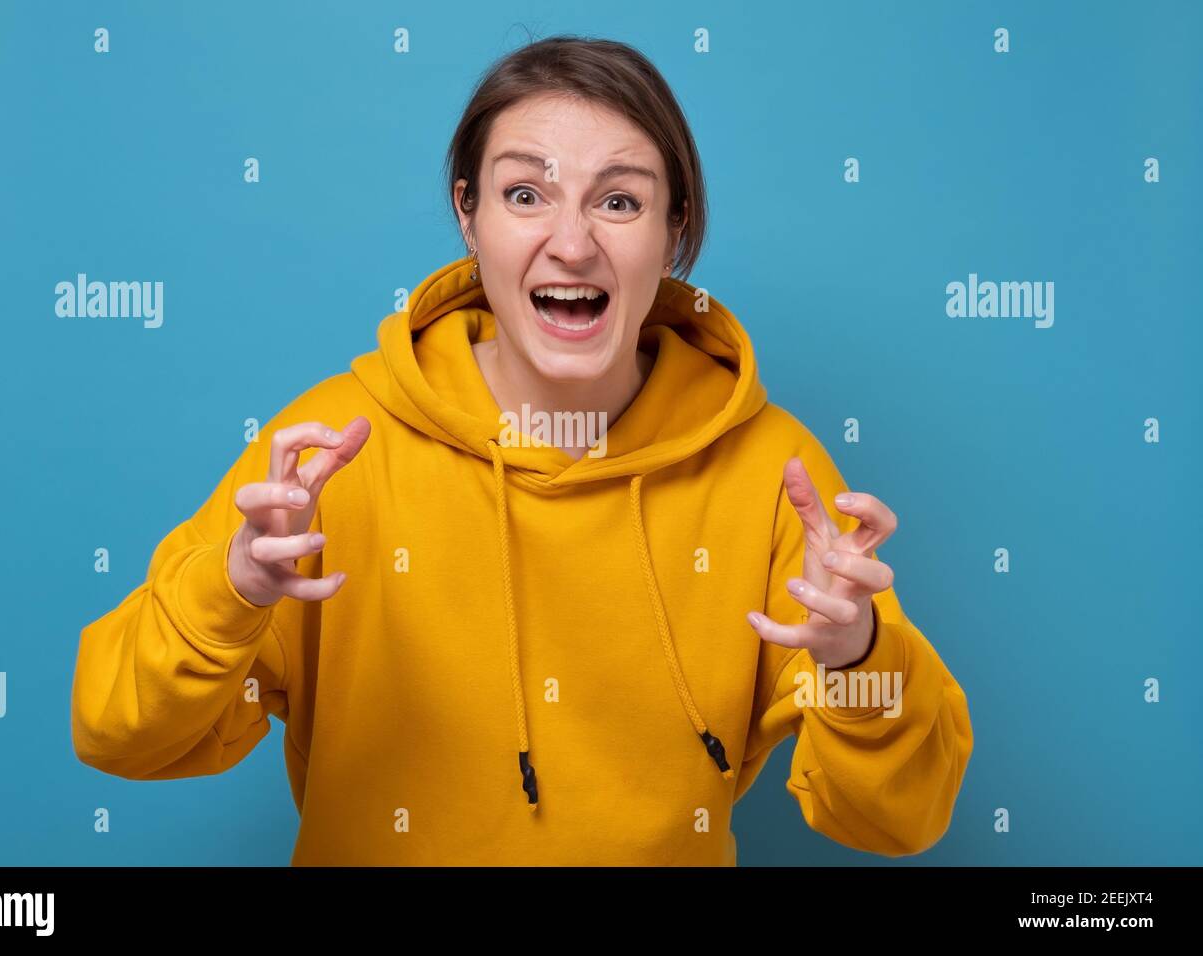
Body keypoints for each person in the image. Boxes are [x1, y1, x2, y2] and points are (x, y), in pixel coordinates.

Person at [71, 35, 972, 865]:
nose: (572, 243)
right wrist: (230, 595)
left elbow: (900, 816)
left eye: (620, 200)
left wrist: (858, 658)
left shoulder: (773, 472)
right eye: (525, 194)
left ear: (675, 231)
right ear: (469, 216)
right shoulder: (334, 450)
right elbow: (116, 733)